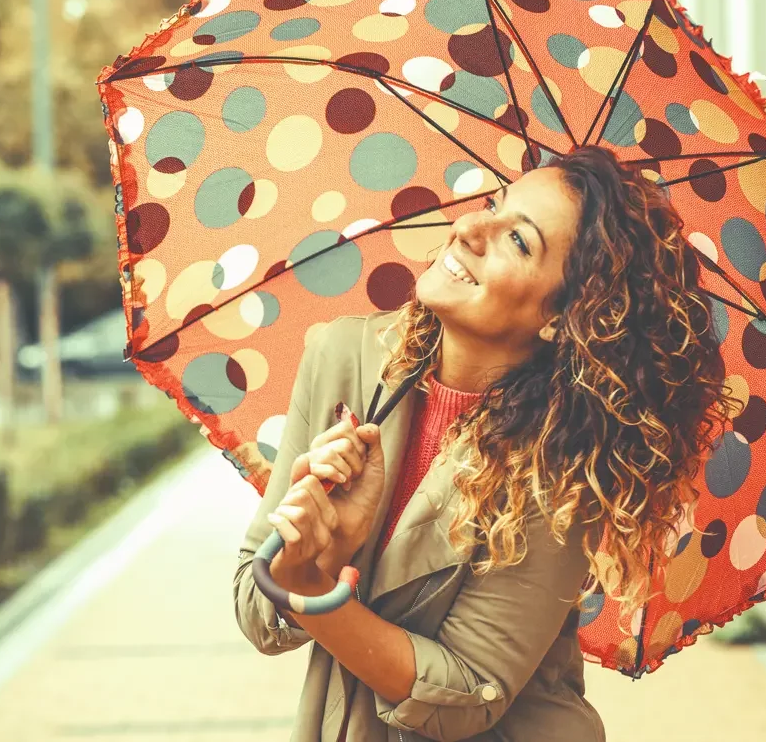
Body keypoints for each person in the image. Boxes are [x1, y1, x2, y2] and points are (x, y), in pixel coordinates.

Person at [233, 146, 738, 741]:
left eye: (518, 241)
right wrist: (308, 554)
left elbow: (468, 693)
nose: (469, 229)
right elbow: (256, 609)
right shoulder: (343, 357)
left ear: (566, 315)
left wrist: (318, 590)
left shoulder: (564, 456)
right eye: (492, 206)